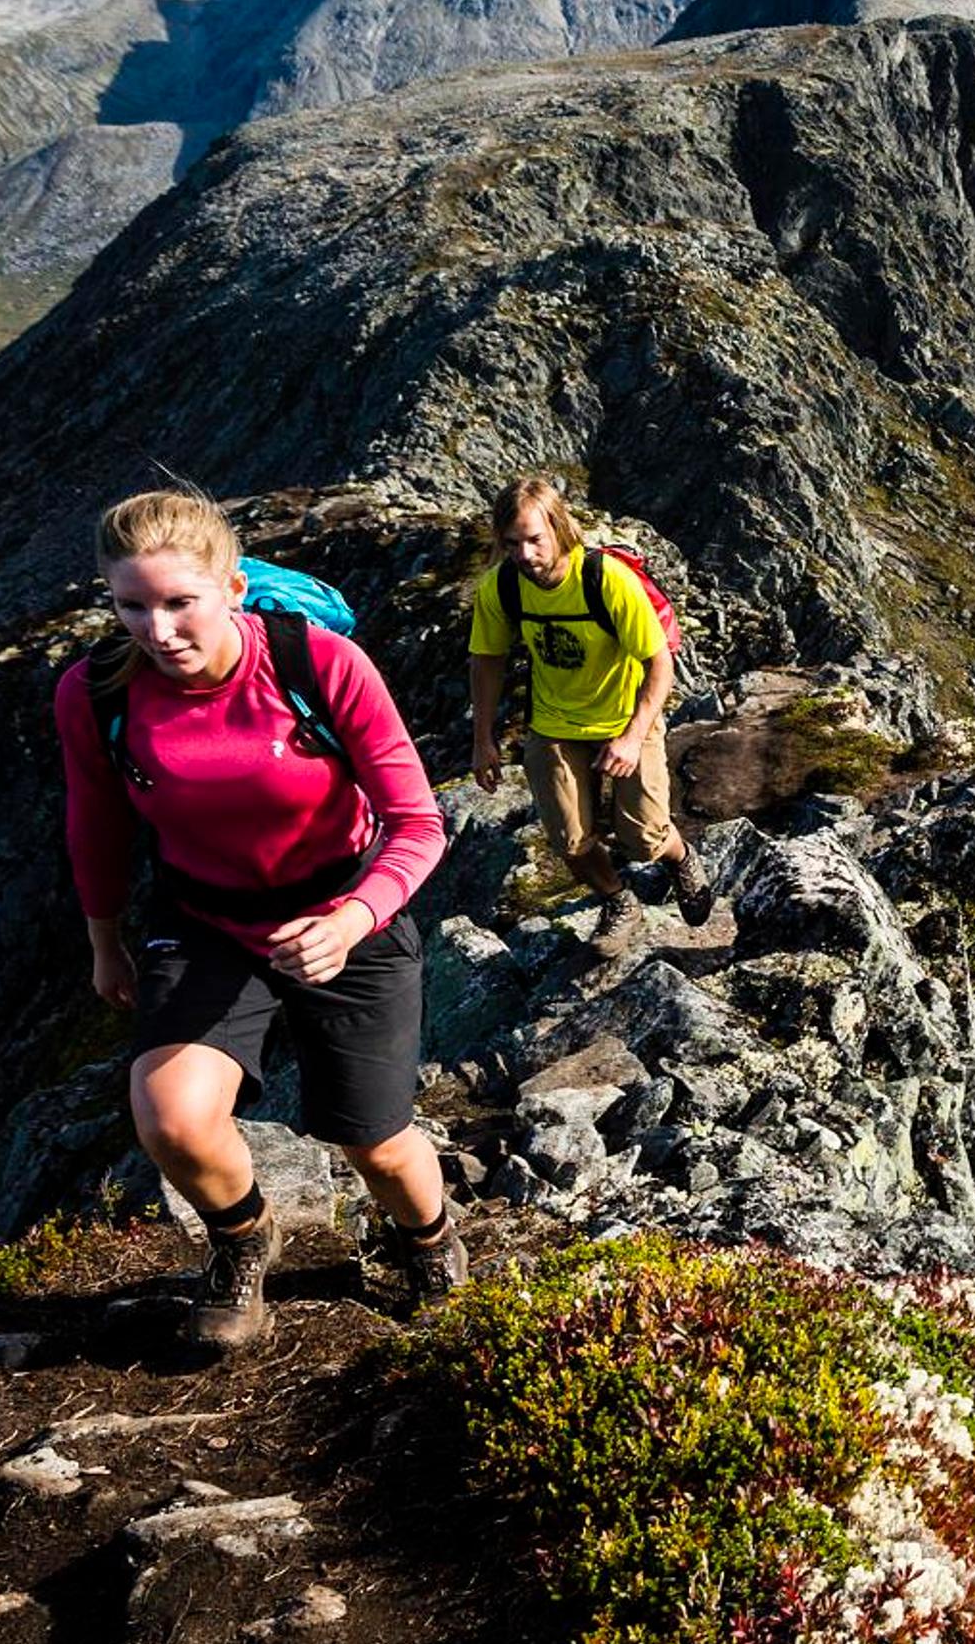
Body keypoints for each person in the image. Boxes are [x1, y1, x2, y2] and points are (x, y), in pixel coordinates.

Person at [55, 490, 461, 1355]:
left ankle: (430, 1245)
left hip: (345, 913)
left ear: (234, 587)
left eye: (180, 602)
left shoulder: (321, 665)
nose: (158, 630)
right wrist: (104, 940)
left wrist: (352, 919)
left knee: (376, 1145)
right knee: (169, 1115)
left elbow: (418, 823)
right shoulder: (95, 692)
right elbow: (96, 823)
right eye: (131, 606)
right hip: (206, 919)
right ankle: (243, 1239)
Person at [467, 473, 713, 931]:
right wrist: (482, 739)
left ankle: (681, 859)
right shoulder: (501, 587)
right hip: (554, 723)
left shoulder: (606, 580)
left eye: (535, 540)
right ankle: (618, 900)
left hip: (624, 717)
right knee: (569, 839)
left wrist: (633, 737)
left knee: (643, 838)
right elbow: (486, 660)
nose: (525, 555)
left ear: (559, 528)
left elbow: (660, 664)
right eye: (512, 543)